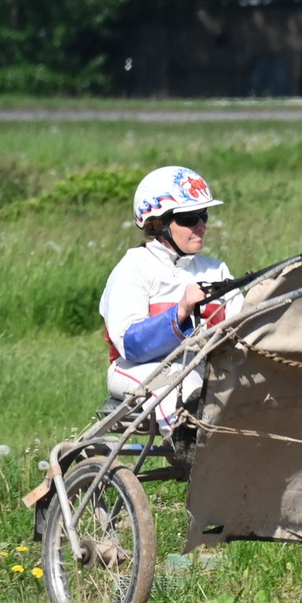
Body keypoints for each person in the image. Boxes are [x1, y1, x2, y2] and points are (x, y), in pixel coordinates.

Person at [100, 166, 233, 422]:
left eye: (203, 215)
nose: (201, 226)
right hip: (138, 370)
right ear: (158, 224)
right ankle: (192, 447)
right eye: (189, 218)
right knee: (179, 385)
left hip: (205, 369)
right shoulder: (132, 268)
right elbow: (131, 345)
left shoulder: (217, 269)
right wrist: (181, 310)